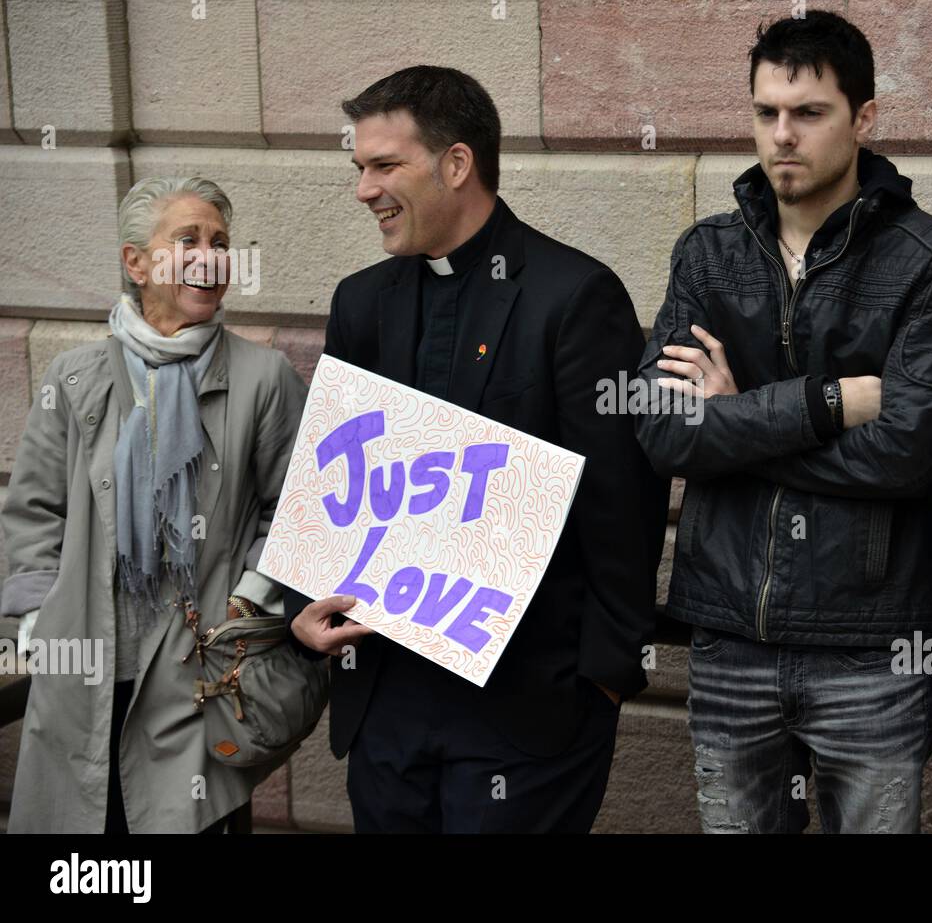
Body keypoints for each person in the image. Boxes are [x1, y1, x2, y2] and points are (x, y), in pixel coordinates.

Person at [284, 65, 668, 833]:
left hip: (528, 715)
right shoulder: (360, 303)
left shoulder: (575, 295)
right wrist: (302, 606)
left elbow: (624, 505)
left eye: (385, 165)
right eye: (359, 167)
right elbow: (335, 478)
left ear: (456, 164)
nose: (364, 188)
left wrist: (603, 678)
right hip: (387, 707)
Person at [634, 10, 932, 833]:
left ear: (863, 118)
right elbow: (660, 430)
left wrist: (736, 423)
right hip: (728, 636)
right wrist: (828, 403)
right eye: (766, 113)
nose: (782, 136)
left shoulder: (931, 261)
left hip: (874, 643)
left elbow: (905, 456)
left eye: (809, 113)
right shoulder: (707, 254)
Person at [1, 177, 310, 832]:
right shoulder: (75, 377)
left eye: (221, 242)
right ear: (136, 262)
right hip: (82, 676)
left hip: (199, 680)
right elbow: (34, 511)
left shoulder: (265, 377)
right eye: (187, 239)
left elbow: (295, 512)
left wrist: (249, 601)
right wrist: (37, 623)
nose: (210, 255)